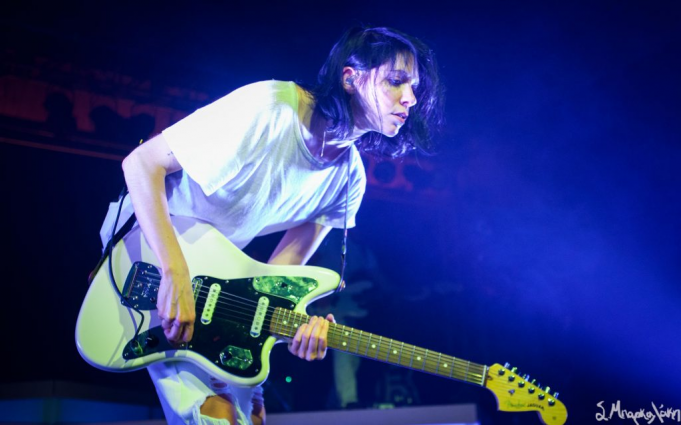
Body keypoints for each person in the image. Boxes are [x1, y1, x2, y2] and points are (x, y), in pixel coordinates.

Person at [107, 25, 443, 425]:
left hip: (216, 284)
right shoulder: (271, 107)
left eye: (414, 87)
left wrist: (292, 326)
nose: (409, 98)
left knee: (252, 417)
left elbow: (274, 277)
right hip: (149, 248)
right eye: (395, 81)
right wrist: (174, 272)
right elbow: (142, 164)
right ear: (350, 78)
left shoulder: (349, 179)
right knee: (216, 417)